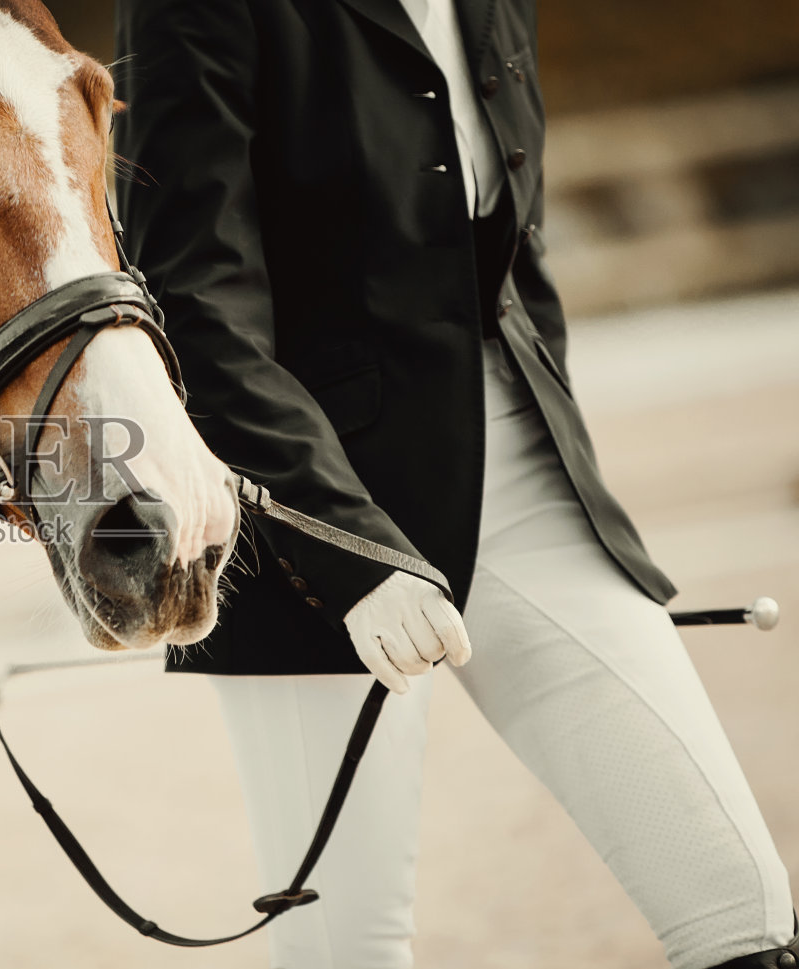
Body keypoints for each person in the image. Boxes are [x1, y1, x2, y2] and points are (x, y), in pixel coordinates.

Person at [112, 0, 796, 966]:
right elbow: (193, 301)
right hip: (307, 516)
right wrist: (345, 547)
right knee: (345, 951)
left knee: (741, 909)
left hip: (528, 481)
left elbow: (519, 258)